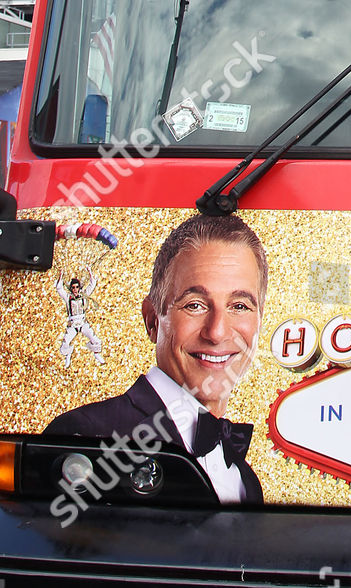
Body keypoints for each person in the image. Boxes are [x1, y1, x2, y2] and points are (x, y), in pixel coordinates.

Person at [44, 213, 267, 505]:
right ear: (152, 321)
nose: (217, 332)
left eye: (239, 306)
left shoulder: (245, 479)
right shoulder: (85, 438)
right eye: (195, 305)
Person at [55, 265, 104, 370]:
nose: (75, 290)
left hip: (82, 323)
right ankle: (68, 355)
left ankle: (96, 354)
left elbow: (92, 284)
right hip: (72, 324)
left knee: (95, 339)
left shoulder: (84, 295)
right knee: (65, 342)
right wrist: (60, 276)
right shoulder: (68, 297)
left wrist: (90, 271)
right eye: (73, 287)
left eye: (77, 287)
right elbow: (59, 288)